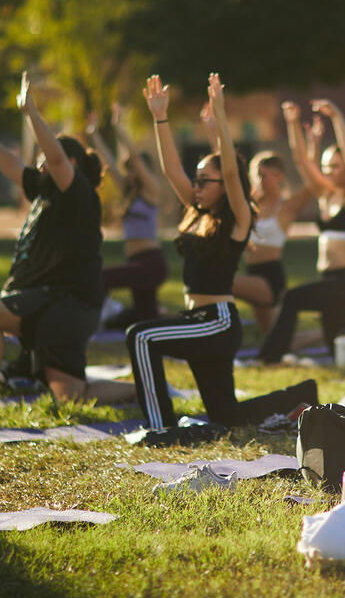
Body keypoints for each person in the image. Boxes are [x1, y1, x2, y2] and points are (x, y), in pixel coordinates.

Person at [129, 73, 317, 431]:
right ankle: (300, 394)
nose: (196, 186)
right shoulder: (198, 210)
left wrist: (221, 118)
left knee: (140, 336)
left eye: (204, 181)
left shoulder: (239, 218)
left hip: (217, 321)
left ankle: (160, 427)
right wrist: (160, 118)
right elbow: (171, 169)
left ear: (222, 185)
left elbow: (231, 172)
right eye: (196, 180)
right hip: (198, 321)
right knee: (226, 416)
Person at [0, 72, 129, 406]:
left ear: (68, 163)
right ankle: (146, 390)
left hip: (65, 304)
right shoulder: (46, 190)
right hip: (68, 308)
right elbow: (9, 163)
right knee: (71, 397)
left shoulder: (79, 193)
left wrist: (31, 113)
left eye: (44, 161)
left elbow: (53, 157)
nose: (38, 167)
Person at [256, 98, 345, 362]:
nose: (329, 171)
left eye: (335, 167)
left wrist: (337, 118)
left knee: (292, 299)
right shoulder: (326, 196)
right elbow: (302, 162)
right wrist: (292, 123)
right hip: (329, 282)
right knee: (343, 353)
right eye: (327, 166)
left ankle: (268, 358)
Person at [87, 102, 167, 332]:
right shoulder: (128, 193)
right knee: (146, 320)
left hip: (151, 262)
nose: (129, 173)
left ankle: (102, 311)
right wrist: (94, 135)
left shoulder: (152, 192)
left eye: (132, 169)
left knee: (101, 277)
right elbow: (111, 165)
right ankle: (160, 319)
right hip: (136, 262)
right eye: (128, 169)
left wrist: (118, 127)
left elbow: (135, 157)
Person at [232, 143, 312, 336]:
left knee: (222, 281)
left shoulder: (286, 208)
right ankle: (326, 335)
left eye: (264, 175)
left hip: (269, 278)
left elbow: (311, 183)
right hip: (251, 272)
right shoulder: (250, 207)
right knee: (275, 341)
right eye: (256, 175)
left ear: (279, 177)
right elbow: (230, 174)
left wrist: (313, 145)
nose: (259, 181)